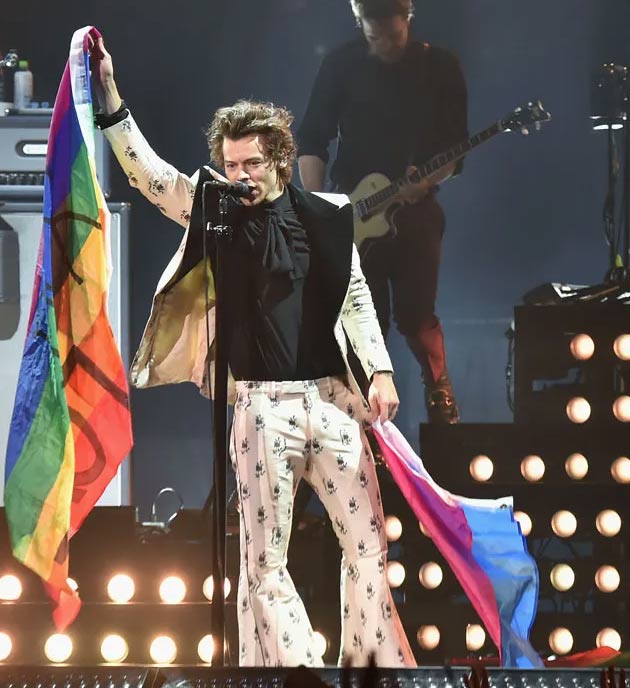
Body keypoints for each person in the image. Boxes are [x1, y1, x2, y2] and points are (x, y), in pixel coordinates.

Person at [91, 38, 415, 668]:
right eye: (230, 164)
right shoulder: (213, 211)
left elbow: (354, 294)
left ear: (281, 162)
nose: (238, 175)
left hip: (331, 400)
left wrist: (379, 369)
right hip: (260, 406)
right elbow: (148, 174)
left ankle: (371, 669)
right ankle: (292, 675)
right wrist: (110, 98)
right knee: (263, 560)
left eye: (251, 164)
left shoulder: (327, 216)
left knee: (370, 547)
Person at [297, 0, 468, 424]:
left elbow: (455, 150)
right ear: (360, 24)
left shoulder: (440, 66)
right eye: (375, 37)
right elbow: (312, 139)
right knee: (363, 317)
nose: (386, 45)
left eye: (394, 34)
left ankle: (439, 390)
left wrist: (427, 180)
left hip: (416, 212)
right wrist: (320, 210)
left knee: (416, 315)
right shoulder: (341, 65)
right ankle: (362, 416)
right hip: (354, 211)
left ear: (409, 18)